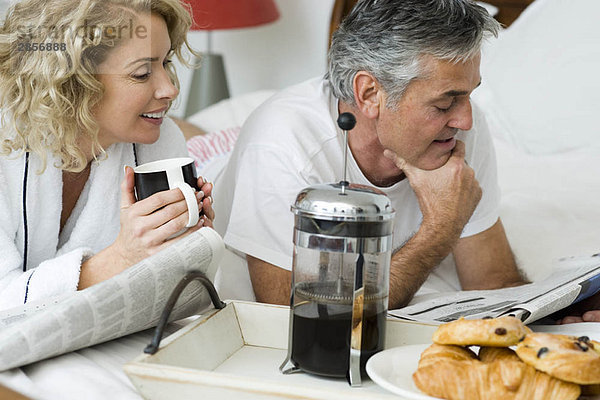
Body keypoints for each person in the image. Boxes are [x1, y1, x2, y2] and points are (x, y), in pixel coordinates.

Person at [213, 0, 600, 323]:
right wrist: (440, 229)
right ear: (369, 94)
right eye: (445, 102)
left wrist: (559, 315)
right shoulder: (282, 143)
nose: (465, 119)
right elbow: (293, 319)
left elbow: (493, 281)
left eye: (469, 96)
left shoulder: (462, 126)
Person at [0, 0, 215, 311]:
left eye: (166, 64)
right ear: (72, 81)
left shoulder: (158, 142)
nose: (169, 89)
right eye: (142, 73)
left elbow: (177, 297)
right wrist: (122, 257)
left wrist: (190, 242)